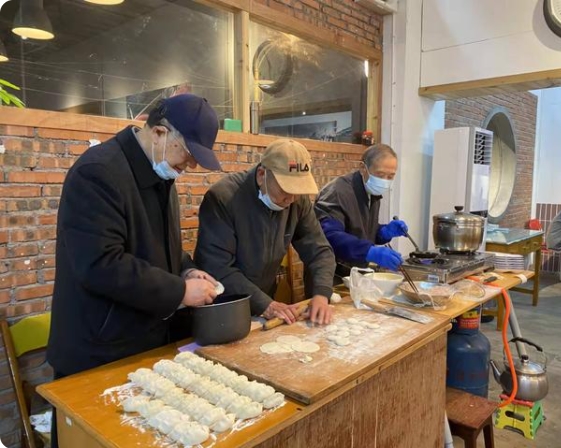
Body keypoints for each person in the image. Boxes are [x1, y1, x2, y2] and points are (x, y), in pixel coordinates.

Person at [48, 94, 223, 378]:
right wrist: (180, 291)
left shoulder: (161, 172)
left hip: (144, 340)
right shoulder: (98, 173)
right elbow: (101, 264)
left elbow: (160, 245)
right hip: (100, 350)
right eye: (188, 155)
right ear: (159, 133)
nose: (190, 166)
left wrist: (187, 270)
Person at [194, 139, 335, 325]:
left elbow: (320, 251)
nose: (291, 199)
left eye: (298, 192)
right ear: (262, 175)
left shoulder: (296, 202)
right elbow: (217, 267)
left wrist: (322, 293)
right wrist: (265, 304)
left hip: (264, 306)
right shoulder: (223, 198)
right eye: (286, 189)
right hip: (224, 307)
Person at [314, 143, 408, 280]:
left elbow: (361, 231)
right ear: (363, 168)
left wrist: (383, 232)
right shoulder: (338, 192)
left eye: (390, 176)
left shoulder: (371, 192)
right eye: (380, 174)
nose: (385, 181)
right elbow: (330, 236)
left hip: (356, 274)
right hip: (330, 275)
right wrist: (369, 251)